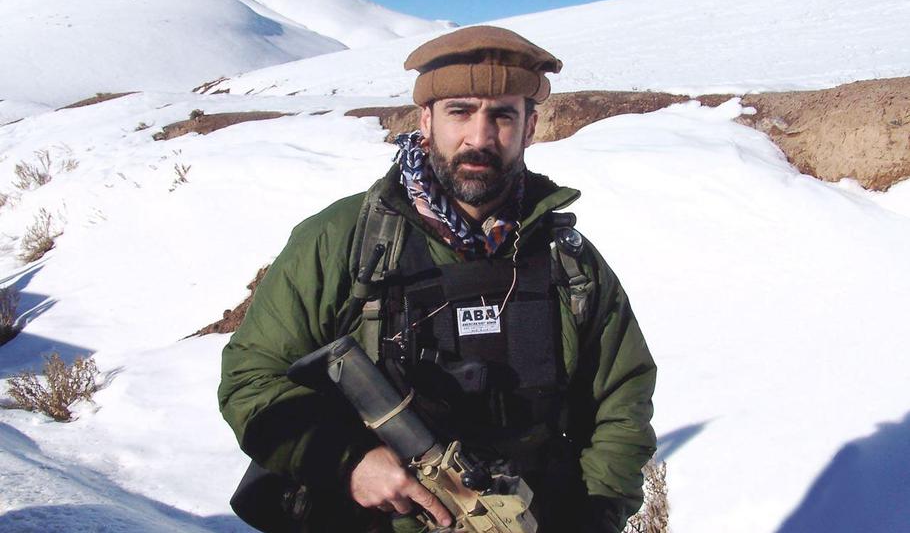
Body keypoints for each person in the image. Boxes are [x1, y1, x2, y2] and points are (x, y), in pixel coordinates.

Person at [219, 26, 656, 533]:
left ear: (531, 125)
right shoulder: (341, 242)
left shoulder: (568, 261)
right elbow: (251, 380)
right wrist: (350, 461)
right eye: (460, 111)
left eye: (502, 115)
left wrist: (594, 517)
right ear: (425, 120)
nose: (480, 137)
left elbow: (621, 405)